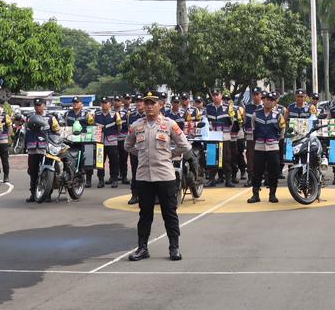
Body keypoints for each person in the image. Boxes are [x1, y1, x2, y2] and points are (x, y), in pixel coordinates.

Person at [125, 91, 191, 261]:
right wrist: (142, 154)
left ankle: (174, 247)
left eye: (152, 103)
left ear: (160, 105)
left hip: (165, 176)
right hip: (144, 176)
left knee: (169, 213)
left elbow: (185, 146)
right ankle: (142, 248)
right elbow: (128, 145)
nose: (149, 106)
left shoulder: (169, 124)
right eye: (146, 103)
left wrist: (170, 154)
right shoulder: (136, 125)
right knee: (145, 215)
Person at [23, 98, 59, 199]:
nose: (38, 107)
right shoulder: (29, 117)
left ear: (44, 106)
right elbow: (26, 132)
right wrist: (25, 146)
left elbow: (56, 132)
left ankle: (47, 194)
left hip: (46, 149)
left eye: (40, 105)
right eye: (36, 105)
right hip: (33, 148)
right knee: (33, 172)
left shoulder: (50, 118)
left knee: (48, 171)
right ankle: (33, 194)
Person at [204, 90, 240, 188]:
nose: (215, 97)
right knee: (212, 158)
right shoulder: (208, 107)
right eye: (214, 95)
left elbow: (232, 122)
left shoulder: (228, 107)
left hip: (224, 135)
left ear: (221, 96)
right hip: (212, 135)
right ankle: (211, 179)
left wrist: (226, 132)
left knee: (226, 158)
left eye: (217, 95)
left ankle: (228, 180)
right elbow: (205, 120)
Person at [92, 97, 123, 187]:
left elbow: (119, 128)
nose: (104, 105)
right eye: (103, 103)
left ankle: (114, 179)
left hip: (112, 140)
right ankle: (101, 180)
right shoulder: (96, 114)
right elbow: (93, 126)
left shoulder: (115, 114)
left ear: (110, 104)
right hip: (100, 140)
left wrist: (119, 125)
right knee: (100, 161)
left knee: (114, 161)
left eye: (106, 103)